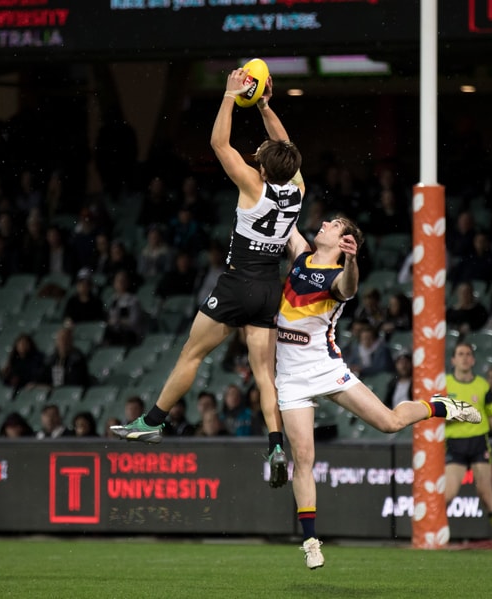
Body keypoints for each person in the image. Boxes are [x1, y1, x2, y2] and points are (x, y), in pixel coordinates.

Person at [112, 67, 303, 489]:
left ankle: (153, 421)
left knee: (192, 353)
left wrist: (230, 95)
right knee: (264, 373)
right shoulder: (297, 190)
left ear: (263, 166)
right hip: (271, 288)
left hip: (237, 283)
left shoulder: (253, 185)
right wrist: (267, 106)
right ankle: (275, 444)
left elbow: (218, 143)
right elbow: (285, 146)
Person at [276, 219, 481, 568]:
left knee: (388, 422)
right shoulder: (301, 256)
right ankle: (311, 540)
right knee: (304, 459)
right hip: (291, 377)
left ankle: (439, 407)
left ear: (344, 243)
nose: (324, 224)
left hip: (326, 369)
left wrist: (352, 261)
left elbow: (349, 287)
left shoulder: (339, 277)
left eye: (334, 225)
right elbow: (287, 218)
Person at [444, 342, 492, 551]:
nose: (464, 358)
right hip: (454, 444)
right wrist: (451, 417)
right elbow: (434, 414)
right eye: (460, 354)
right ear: (453, 360)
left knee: (486, 495)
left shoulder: (482, 386)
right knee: (447, 495)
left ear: (473, 360)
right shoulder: (444, 384)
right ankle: (436, 539)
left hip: (477, 442)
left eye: (468, 354)